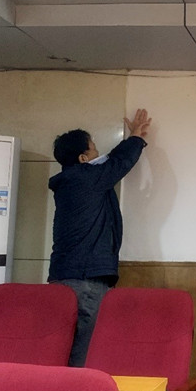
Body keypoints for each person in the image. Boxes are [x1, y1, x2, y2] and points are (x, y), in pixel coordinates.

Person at [48, 108, 152, 367]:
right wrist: (135, 139)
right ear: (83, 158)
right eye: (94, 149)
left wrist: (132, 138)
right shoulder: (87, 179)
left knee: (61, 347)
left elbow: (108, 162)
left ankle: (55, 390)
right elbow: (118, 163)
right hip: (86, 279)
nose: (98, 152)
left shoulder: (71, 180)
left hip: (63, 276)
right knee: (85, 351)